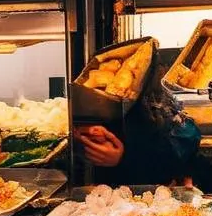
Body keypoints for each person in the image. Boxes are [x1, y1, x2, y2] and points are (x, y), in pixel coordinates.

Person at [75, 56, 203, 187]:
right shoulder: (93, 97)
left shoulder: (154, 100)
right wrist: (83, 134)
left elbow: (186, 140)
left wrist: (125, 157)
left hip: (153, 188)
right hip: (110, 190)